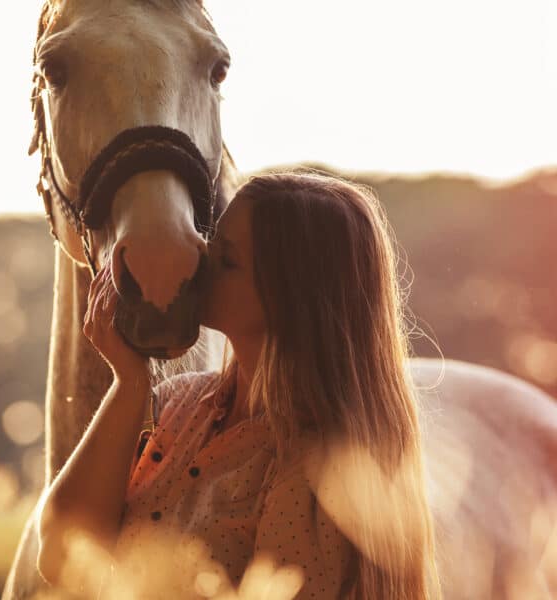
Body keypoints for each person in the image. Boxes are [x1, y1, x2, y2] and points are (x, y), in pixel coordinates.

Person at [36, 173, 441, 599]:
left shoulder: (310, 471)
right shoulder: (180, 403)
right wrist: (129, 383)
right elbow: (60, 556)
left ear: (289, 298)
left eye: (226, 259)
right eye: (210, 241)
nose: (198, 261)